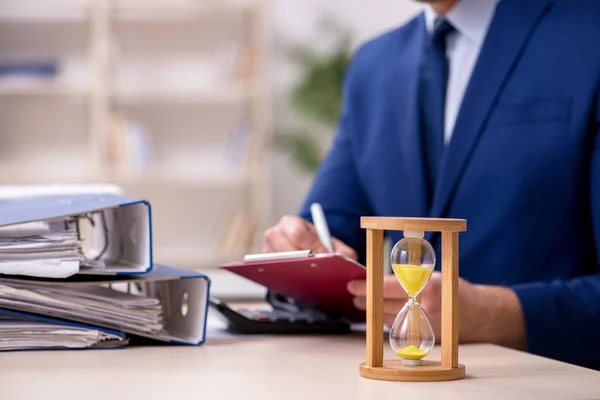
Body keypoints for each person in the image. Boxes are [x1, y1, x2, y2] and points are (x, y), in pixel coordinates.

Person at [263, 0, 600, 369]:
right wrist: (299, 254)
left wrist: (500, 314)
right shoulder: (373, 66)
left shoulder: (588, 33)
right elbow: (331, 233)